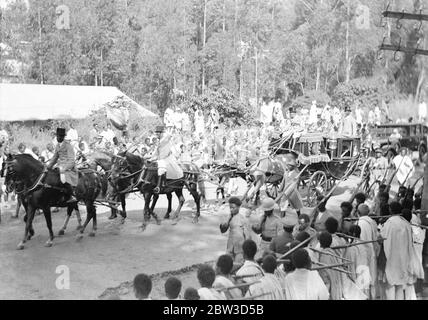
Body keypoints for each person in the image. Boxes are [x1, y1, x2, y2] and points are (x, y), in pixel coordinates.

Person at [380, 202, 423, 300]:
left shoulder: (389, 223)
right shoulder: (406, 223)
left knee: (390, 285)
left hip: (391, 258)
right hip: (403, 258)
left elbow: (381, 238)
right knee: (399, 285)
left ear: (391, 210)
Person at [46, 128, 78, 203]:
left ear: (63, 137)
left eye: (60, 136)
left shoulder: (68, 145)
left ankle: (71, 195)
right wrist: (48, 167)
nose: (58, 138)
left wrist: (65, 168)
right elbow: (55, 157)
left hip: (69, 166)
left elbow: (71, 160)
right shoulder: (57, 146)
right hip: (60, 166)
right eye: (57, 136)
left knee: (63, 176)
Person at [149, 126, 184, 194]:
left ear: (161, 133)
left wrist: (170, 131)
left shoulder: (164, 139)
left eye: (158, 133)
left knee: (161, 168)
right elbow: (155, 153)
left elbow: (168, 136)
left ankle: (159, 186)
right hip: (160, 159)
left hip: (168, 159)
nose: (156, 135)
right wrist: (150, 158)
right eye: (156, 133)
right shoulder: (158, 141)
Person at [356, 204, 380, 300]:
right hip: (372, 253)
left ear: (358, 213)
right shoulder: (372, 222)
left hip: (362, 254)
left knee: (363, 281)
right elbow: (377, 239)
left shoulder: (359, 223)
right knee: (372, 280)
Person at [316, 232, 344, 300]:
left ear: (320, 243)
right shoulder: (333, 253)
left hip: (330, 291)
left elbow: (325, 278)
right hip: (337, 288)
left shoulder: (324, 256)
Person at [220, 197, 247, 263]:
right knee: (228, 264)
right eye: (230, 208)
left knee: (238, 264)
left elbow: (247, 235)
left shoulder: (243, 219)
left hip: (240, 248)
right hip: (230, 247)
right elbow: (223, 230)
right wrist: (227, 220)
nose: (231, 210)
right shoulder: (229, 217)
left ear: (238, 207)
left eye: (233, 208)